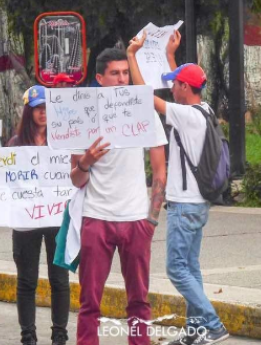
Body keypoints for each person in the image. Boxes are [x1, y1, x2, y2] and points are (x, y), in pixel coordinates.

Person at [127, 31, 230, 345]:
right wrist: (172, 55)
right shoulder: (205, 109)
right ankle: (195, 332)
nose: (171, 87)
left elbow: (145, 97)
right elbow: (178, 90)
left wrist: (132, 56)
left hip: (185, 205)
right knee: (191, 267)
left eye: (175, 83)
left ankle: (213, 325)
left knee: (175, 268)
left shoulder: (186, 117)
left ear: (186, 88)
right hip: (198, 205)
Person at [69, 48, 167, 345]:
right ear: (99, 78)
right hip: (96, 218)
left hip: (136, 219)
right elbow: (76, 177)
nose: (122, 79)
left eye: (126, 73)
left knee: (139, 300)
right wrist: (86, 160)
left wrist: (151, 219)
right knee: (90, 302)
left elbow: (160, 170)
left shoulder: (145, 112)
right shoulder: (83, 117)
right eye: (115, 73)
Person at [0, 85, 70, 345]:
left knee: (59, 279)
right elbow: (2, 180)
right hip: (26, 220)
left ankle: (60, 334)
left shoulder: (64, 141)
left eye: (47, 108)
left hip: (57, 219)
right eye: (38, 108)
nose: (43, 113)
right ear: (29, 112)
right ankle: (27, 334)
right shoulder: (15, 145)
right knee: (27, 280)